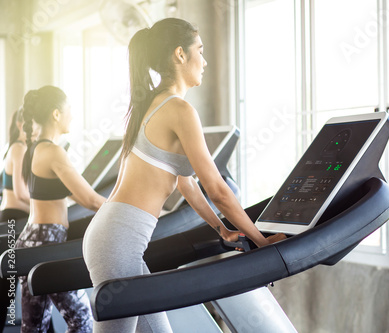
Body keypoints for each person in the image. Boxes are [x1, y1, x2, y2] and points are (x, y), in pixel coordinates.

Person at [83, 17, 286, 332]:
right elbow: (216, 188)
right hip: (118, 241)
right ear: (180, 55)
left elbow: (186, 183)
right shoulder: (179, 110)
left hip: (115, 237)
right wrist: (261, 241)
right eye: (200, 51)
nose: (204, 61)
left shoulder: (150, 104)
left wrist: (222, 229)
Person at [16, 85, 106, 333]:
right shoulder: (53, 151)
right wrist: (122, 211)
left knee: (34, 327)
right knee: (83, 319)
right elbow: (90, 200)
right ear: (56, 114)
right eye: (69, 110)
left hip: (33, 240)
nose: (72, 116)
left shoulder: (37, 148)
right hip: (47, 243)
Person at [0, 108, 38, 332]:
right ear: (22, 126)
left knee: (11, 285)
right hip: (16, 219)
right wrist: (44, 207)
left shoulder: (10, 148)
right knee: (11, 286)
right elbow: (22, 193)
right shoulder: (20, 148)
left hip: (8, 217)